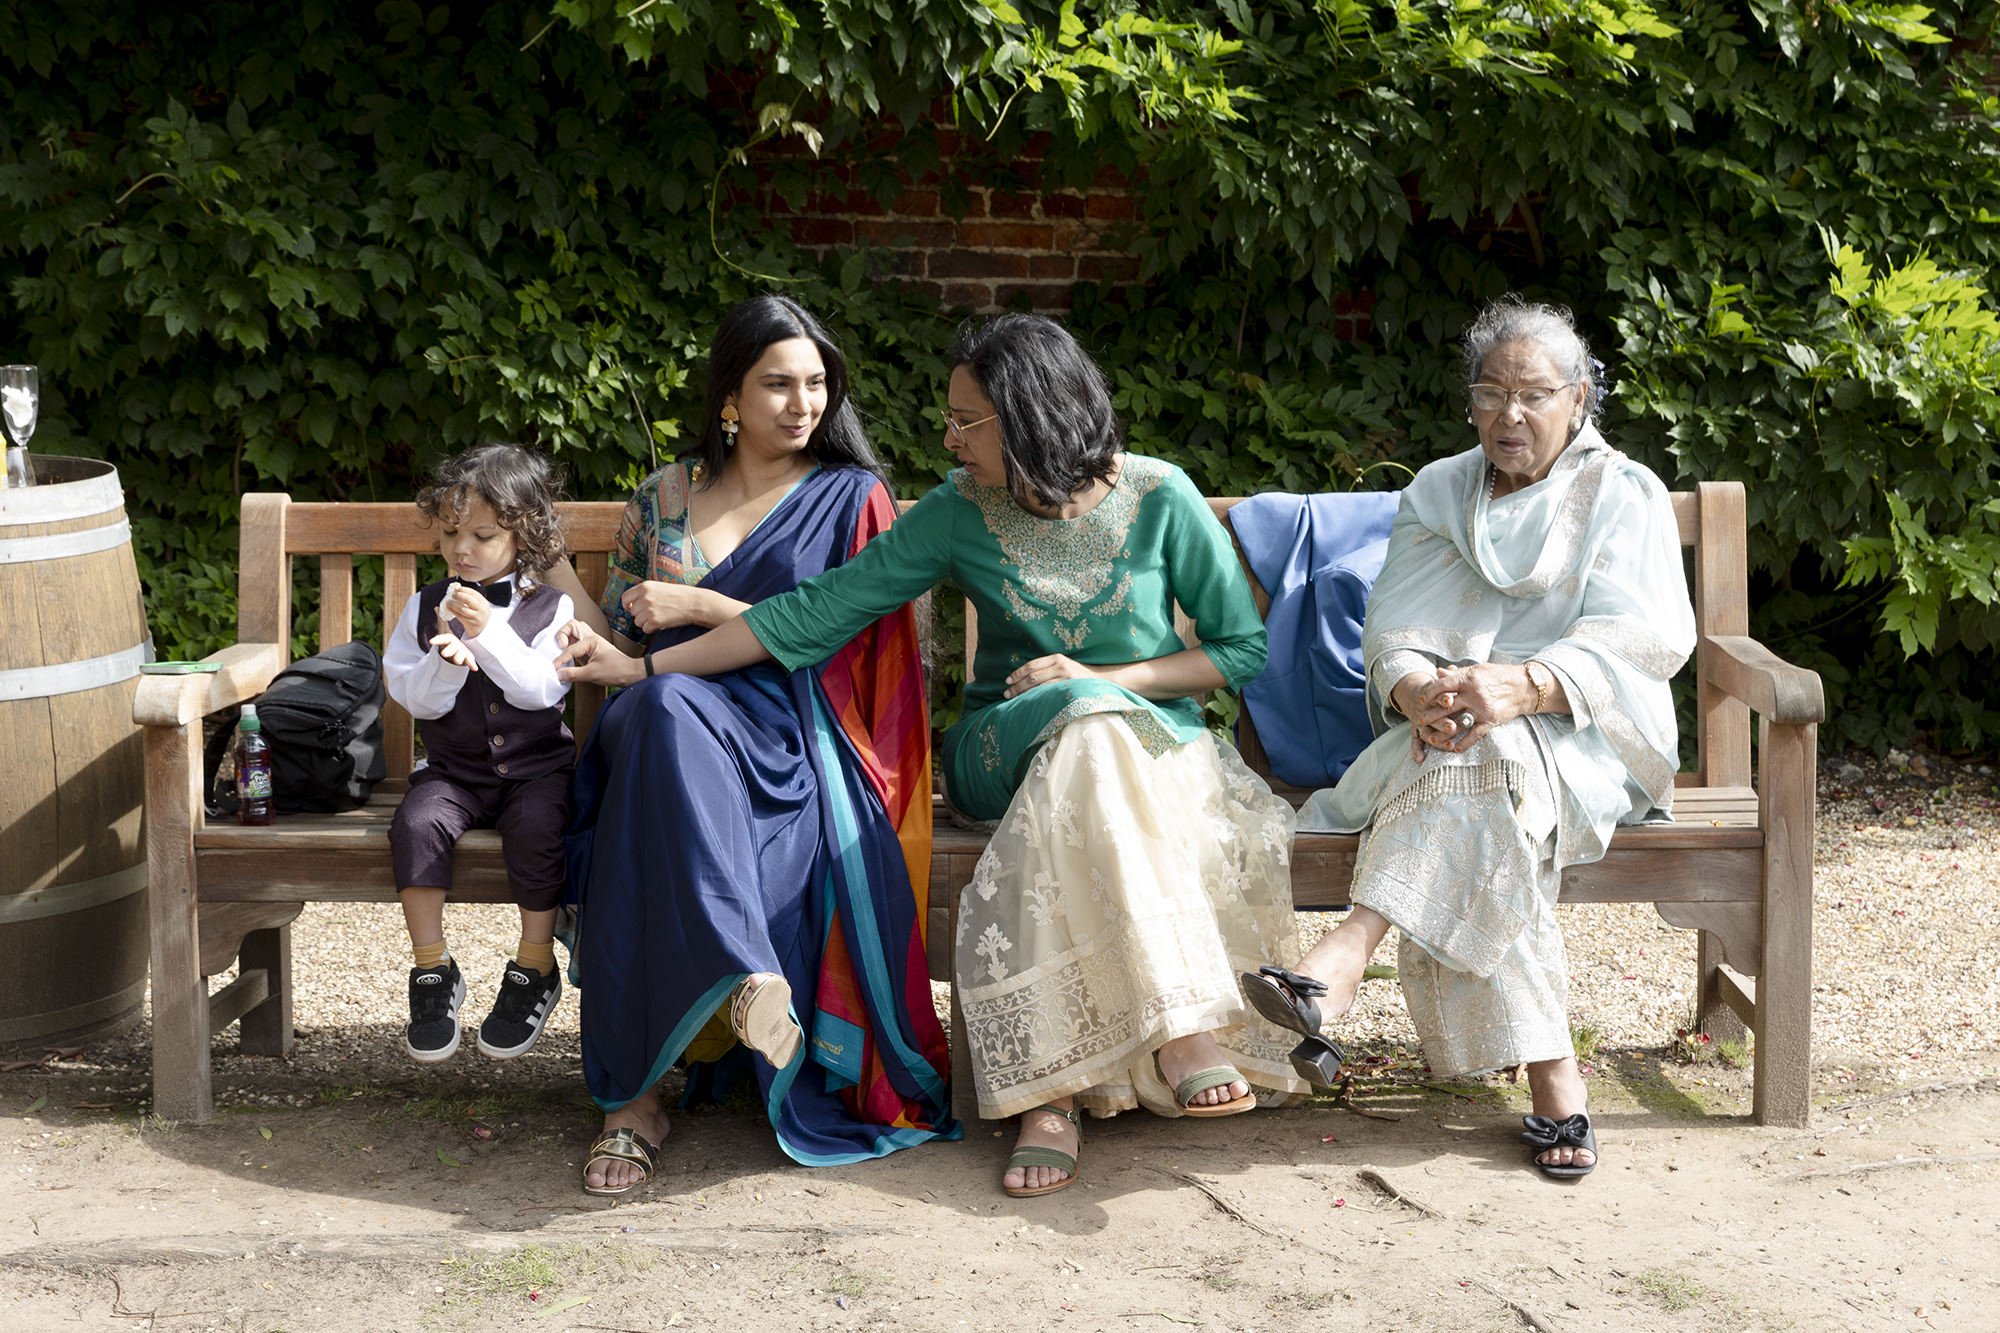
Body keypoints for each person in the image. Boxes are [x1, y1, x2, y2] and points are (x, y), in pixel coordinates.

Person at [559, 313, 1308, 1200]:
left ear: (1029, 412)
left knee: (1094, 732)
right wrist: (646, 666)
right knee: (1074, 721)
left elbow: (1239, 651)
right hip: (1001, 745)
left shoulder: (1161, 494)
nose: (949, 440)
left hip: (1140, 749)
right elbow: (814, 615)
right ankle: (1179, 1028)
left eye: (966, 421)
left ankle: (1050, 1097)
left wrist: (1098, 676)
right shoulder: (958, 508)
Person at [1240, 295, 1695, 1179]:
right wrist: (1417, 690)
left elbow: (1647, 638)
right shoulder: (1441, 492)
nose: (1509, 415)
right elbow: (1393, 631)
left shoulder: (1623, 494)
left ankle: (1341, 954)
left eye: (1534, 394)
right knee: (1477, 766)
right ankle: (1553, 1079)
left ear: (1580, 399)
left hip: (1587, 734)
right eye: (1491, 392)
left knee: (1484, 759)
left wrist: (1524, 684)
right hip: (1448, 735)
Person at [554, 295, 952, 1197]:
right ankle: (732, 989)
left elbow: (862, 644)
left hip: (793, 738)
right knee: (661, 719)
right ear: (729, 394)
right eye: (777, 384)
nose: (802, 403)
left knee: (661, 729)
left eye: (816, 384)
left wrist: (700, 607)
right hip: (660, 729)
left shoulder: (854, 498)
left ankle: (635, 1100)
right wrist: (571, 625)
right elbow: (623, 640)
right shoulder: (664, 497)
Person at [384, 443, 575, 1064]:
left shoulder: (552, 606)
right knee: (416, 822)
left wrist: (488, 635)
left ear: (525, 534)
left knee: (542, 826)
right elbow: (414, 698)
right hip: (455, 772)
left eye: (482, 535)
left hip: (536, 770)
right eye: (449, 534)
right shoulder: (423, 606)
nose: (461, 549)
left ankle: (534, 963)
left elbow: (542, 688)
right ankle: (433, 968)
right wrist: (444, 662)